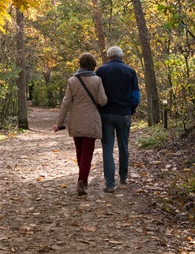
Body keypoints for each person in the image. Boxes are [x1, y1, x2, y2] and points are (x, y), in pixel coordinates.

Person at [53, 53, 108, 195]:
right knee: (87, 152)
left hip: (76, 120)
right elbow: (102, 101)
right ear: (93, 65)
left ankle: (82, 179)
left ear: (80, 64)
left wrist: (58, 122)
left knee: (79, 151)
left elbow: (66, 103)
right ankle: (82, 181)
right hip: (91, 120)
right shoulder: (97, 80)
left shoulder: (72, 80)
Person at [96, 46, 140, 193]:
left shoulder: (101, 71)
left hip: (106, 114)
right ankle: (123, 177)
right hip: (124, 113)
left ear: (109, 57)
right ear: (121, 56)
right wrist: (131, 109)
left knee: (107, 148)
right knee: (123, 146)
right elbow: (135, 95)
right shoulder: (130, 71)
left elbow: (97, 94)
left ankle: (110, 183)